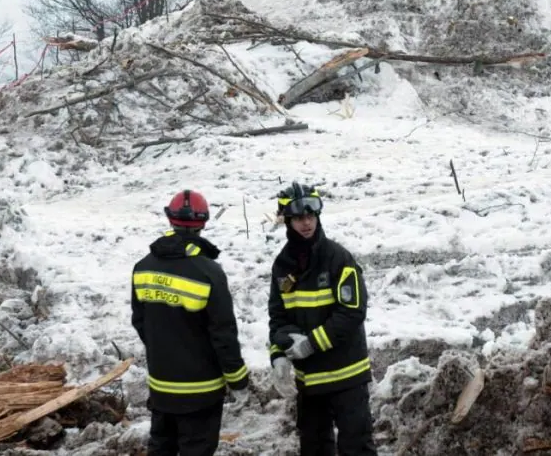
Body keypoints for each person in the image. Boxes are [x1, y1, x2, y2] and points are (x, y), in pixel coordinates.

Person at [132, 189, 251, 456]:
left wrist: (165, 352)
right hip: (202, 392)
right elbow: (223, 334)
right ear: (203, 222)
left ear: (170, 219)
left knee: (161, 448)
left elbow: (140, 322)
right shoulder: (209, 272)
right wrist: (238, 381)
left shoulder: (143, 268)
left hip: (161, 387)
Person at [268, 182, 377, 456]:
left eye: (310, 216)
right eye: (299, 218)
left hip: (347, 377)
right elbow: (278, 316)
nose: (306, 223)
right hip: (309, 381)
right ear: (287, 221)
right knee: (314, 448)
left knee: (356, 448)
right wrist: (278, 354)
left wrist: (311, 343)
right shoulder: (282, 266)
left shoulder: (339, 259)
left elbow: (352, 312)